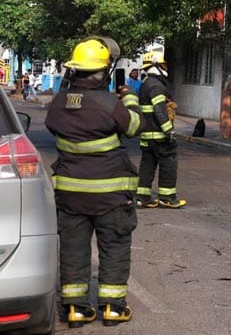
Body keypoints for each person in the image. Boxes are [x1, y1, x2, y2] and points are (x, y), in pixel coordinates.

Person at [44, 36, 141, 327]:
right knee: (114, 246)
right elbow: (134, 127)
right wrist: (131, 100)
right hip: (110, 195)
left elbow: (52, 124)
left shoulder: (59, 104)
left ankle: (75, 308)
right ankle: (112, 307)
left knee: (73, 249)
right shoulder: (109, 103)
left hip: (71, 195)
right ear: (104, 71)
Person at [136, 51, 186, 209]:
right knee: (169, 164)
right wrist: (169, 131)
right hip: (159, 135)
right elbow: (159, 110)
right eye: (163, 64)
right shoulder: (156, 86)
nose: (165, 67)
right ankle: (167, 197)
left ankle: (142, 197)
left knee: (147, 166)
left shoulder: (146, 84)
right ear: (155, 66)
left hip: (147, 135)